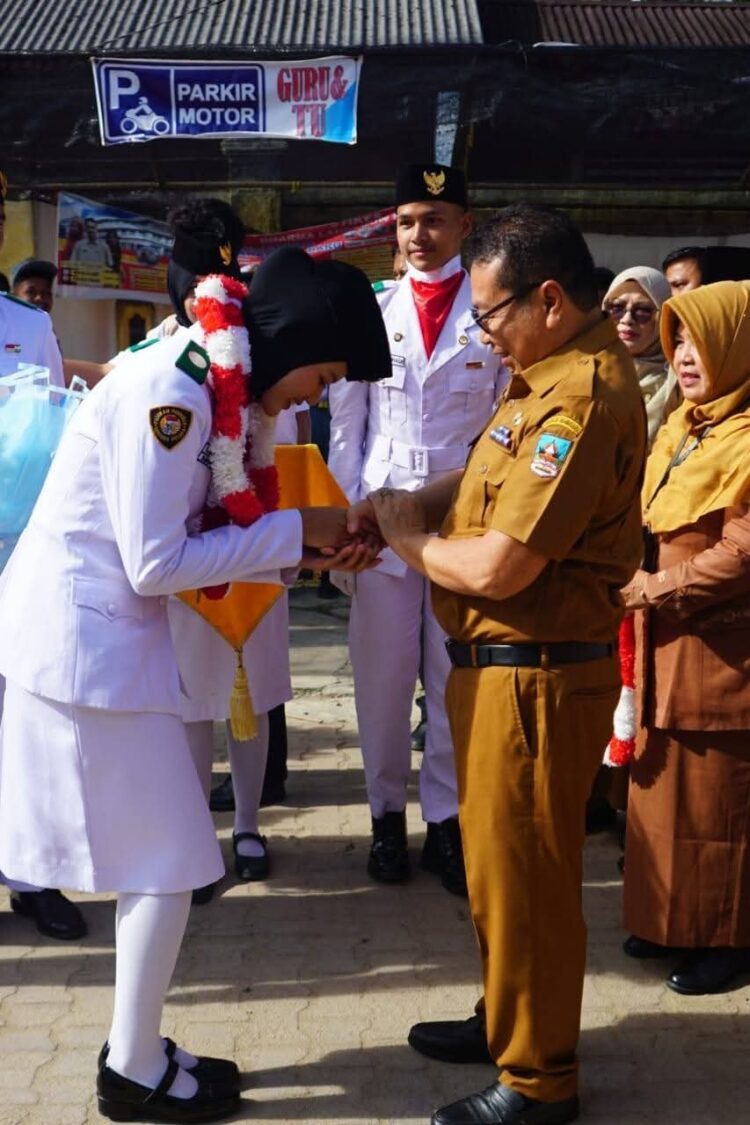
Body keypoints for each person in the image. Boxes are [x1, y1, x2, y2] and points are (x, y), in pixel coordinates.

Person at [0, 245, 389, 1123]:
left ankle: (135, 1050)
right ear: (287, 343)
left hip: (101, 647)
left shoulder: (207, 383)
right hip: (86, 649)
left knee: (167, 863)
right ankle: (131, 1071)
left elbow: (199, 527)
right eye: (321, 374)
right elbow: (154, 561)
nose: (317, 398)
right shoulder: (175, 396)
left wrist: (307, 540)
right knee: (172, 862)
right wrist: (297, 529)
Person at [350, 204, 646, 1125]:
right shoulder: (540, 373)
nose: (483, 334)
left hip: (540, 672)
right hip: (504, 666)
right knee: (495, 870)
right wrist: (398, 502)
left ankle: (539, 1077)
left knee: (531, 881)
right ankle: (506, 1019)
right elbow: (479, 476)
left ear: (549, 299)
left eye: (491, 315)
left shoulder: (581, 398)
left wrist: (404, 539)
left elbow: (498, 564)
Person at [328, 163, 506, 896]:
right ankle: (382, 821)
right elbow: (348, 426)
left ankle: (447, 823)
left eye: (433, 220)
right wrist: (347, 519)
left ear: (465, 226)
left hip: (463, 526)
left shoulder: (493, 313)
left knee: (453, 679)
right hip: (383, 528)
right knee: (381, 680)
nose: (418, 235)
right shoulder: (372, 308)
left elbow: (502, 426)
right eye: (406, 221)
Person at [621, 280, 750, 996]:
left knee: (718, 802)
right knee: (662, 789)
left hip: (721, 646)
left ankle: (730, 936)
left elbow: (743, 549)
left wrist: (657, 588)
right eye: (681, 340)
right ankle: (670, 916)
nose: (686, 354)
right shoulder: (683, 421)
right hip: (657, 642)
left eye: (703, 338)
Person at [603, 267, 679, 449]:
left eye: (643, 310)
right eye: (617, 308)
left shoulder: (679, 382)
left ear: (663, 317)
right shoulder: (588, 368)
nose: (627, 319)